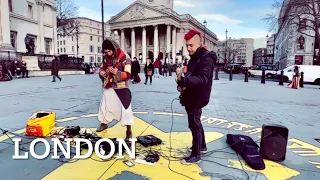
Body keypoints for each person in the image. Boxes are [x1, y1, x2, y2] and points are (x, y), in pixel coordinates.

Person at [176, 29, 217, 165]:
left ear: (199, 43)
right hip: (191, 94)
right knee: (196, 121)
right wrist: (182, 82)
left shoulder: (206, 57)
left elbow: (202, 78)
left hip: (198, 96)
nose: (188, 48)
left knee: (194, 123)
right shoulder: (195, 56)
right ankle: (202, 146)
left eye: (191, 45)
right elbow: (191, 75)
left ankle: (196, 155)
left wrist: (184, 80)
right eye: (187, 45)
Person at [96, 37, 134, 141]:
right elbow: (102, 68)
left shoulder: (125, 57)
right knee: (105, 104)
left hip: (122, 87)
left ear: (114, 49)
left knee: (126, 109)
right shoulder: (106, 58)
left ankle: (128, 130)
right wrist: (102, 72)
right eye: (105, 52)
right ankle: (104, 123)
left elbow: (128, 74)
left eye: (109, 51)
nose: (108, 53)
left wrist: (116, 72)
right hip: (110, 85)